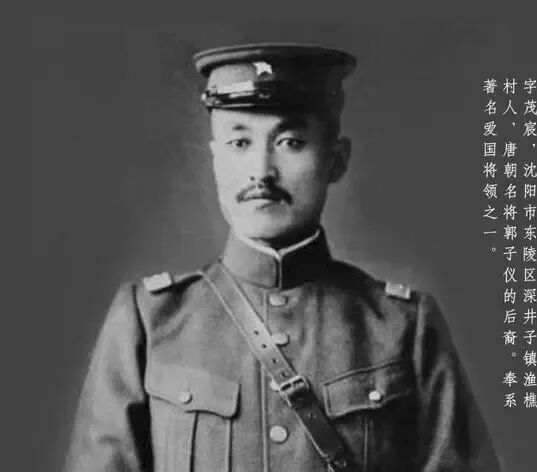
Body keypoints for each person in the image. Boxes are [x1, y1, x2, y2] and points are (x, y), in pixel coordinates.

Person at [66, 42, 500, 472]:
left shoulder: (404, 326)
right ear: (216, 160)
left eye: (290, 142)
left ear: (336, 160)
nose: (261, 170)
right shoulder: (150, 320)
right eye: (239, 142)